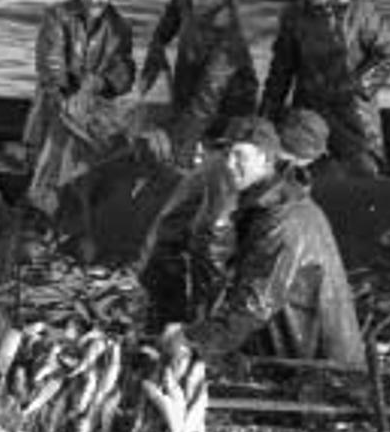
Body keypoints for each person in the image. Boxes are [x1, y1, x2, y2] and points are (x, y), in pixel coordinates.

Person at [176, 116, 363, 369]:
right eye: (227, 155)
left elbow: (254, 305)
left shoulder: (285, 221)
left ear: (266, 159)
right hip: (291, 351)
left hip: (319, 367)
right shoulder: (260, 206)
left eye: (240, 156)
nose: (230, 165)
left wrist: (192, 339)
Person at [135, 107, 330, 330]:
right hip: (175, 266)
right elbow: (211, 242)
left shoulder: (246, 164)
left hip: (181, 261)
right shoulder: (232, 172)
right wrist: (206, 322)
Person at [261, 0, 390, 177]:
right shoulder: (293, 13)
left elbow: (387, 56)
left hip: (353, 109)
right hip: (309, 108)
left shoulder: (360, 11)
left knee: (365, 170)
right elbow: (281, 68)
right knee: (302, 170)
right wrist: (268, 112)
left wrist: (355, 86)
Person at [23, 0, 137, 218]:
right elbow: (50, 63)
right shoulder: (57, 16)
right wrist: (65, 93)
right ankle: (42, 199)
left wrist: (99, 83)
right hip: (59, 97)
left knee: (104, 147)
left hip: (95, 102)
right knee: (49, 146)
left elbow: (125, 71)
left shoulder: (120, 27)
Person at [137, 0, 259, 165]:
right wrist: (156, 50)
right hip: (191, 79)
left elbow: (206, 100)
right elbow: (170, 17)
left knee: (191, 148)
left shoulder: (229, 37)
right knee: (180, 118)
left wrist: (182, 143)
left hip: (229, 104)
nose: (195, 0)